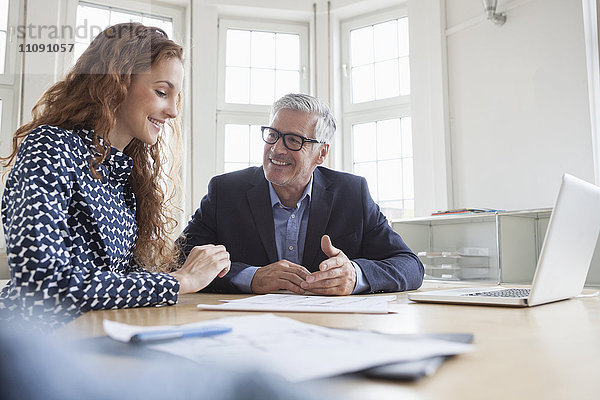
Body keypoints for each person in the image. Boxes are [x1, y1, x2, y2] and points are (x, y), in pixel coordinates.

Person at [0, 23, 230, 328]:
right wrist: (179, 281)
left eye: (176, 97)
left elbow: (117, 282)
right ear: (116, 83)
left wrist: (200, 269)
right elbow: (44, 285)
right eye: (162, 92)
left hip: (98, 336)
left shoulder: (126, 175)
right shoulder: (51, 146)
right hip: (36, 344)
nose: (173, 111)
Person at [177, 93, 423, 295]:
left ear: (322, 153)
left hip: (330, 332)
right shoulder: (226, 191)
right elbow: (179, 259)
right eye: (272, 135)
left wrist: (354, 275)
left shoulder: (352, 193)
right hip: (245, 327)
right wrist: (251, 277)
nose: (276, 149)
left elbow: (409, 265)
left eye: (293, 140)